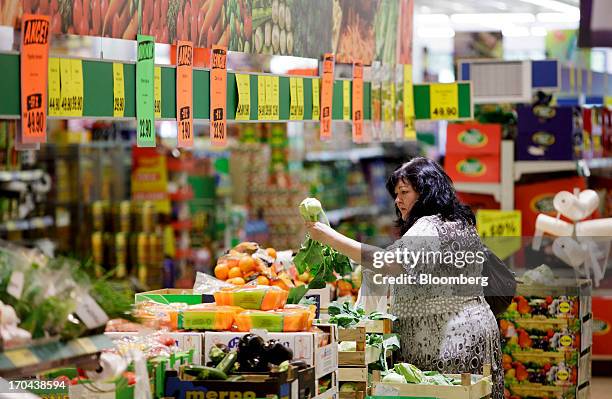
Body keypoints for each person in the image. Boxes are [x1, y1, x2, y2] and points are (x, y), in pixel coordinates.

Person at [305, 157, 503, 399]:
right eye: (396, 194)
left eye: (404, 192)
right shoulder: (460, 223)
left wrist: (331, 238)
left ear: (426, 192)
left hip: (449, 343)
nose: (398, 201)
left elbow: (388, 263)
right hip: (479, 332)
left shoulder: (428, 227)